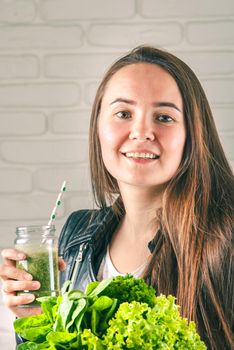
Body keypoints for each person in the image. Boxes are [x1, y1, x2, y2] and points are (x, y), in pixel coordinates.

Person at [0, 46, 233, 349]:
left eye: (164, 117)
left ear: (192, 134)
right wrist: (34, 321)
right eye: (123, 113)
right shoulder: (77, 235)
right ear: (98, 127)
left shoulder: (225, 236)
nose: (142, 132)